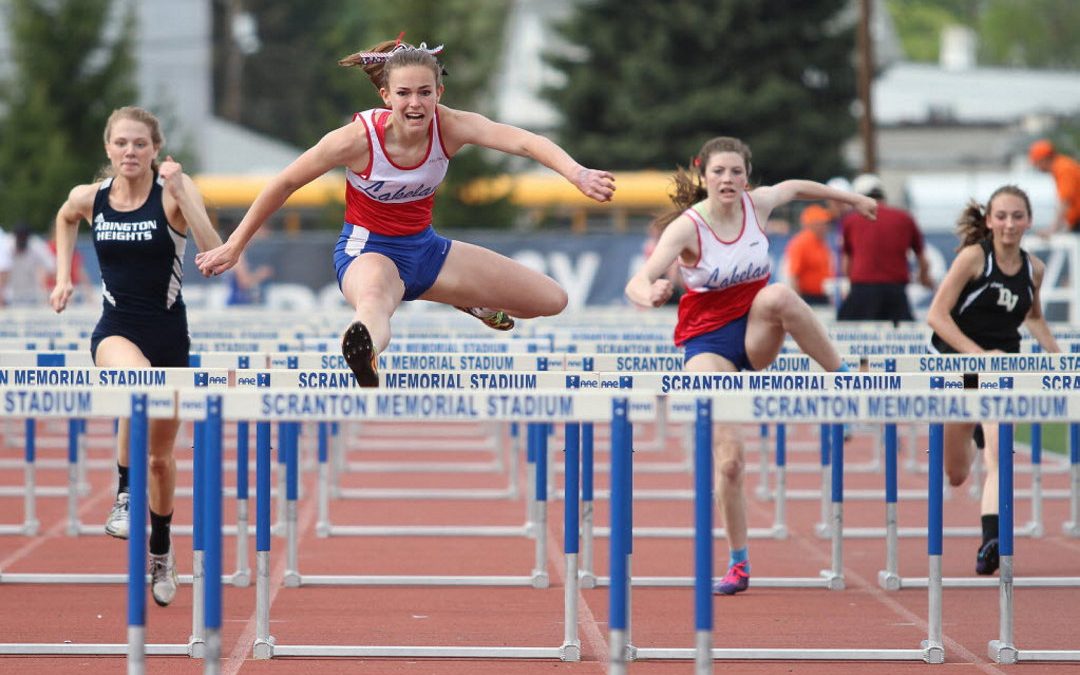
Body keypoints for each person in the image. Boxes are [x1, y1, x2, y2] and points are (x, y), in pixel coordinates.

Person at [194, 36, 615, 385]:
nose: (415, 104)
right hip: (368, 252)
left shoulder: (450, 126)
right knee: (374, 304)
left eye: (425, 93)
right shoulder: (355, 139)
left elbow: (523, 141)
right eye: (404, 94)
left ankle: (467, 300)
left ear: (439, 94)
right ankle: (363, 354)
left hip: (426, 250)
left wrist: (575, 173)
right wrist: (234, 245)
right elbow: (284, 182)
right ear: (385, 95)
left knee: (551, 300)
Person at [625, 136, 876, 595]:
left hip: (757, 329)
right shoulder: (688, 227)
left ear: (747, 177)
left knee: (779, 294)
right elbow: (637, 281)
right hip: (708, 342)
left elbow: (798, 188)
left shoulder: (758, 206)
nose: (728, 180)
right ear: (704, 175)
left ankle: (843, 382)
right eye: (719, 172)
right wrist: (653, 293)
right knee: (731, 464)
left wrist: (853, 199)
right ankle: (739, 563)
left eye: (736, 172)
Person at [50, 105, 223, 607]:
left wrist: (183, 189)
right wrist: (65, 276)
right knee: (137, 385)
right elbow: (64, 217)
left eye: (140, 144)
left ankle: (162, 549)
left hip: (169, 334)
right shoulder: (91, 198)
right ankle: (125, 495)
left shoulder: (170, 197)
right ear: (108, 147)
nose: (130, 151)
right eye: (122, 143)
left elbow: (214, 250)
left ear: (154, 150)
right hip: (116, 330)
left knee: (162, 460)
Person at [926, 185, 1060, 576]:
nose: (1009, 224)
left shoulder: (1034, 268)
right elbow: (936, 315)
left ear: (1029, 220)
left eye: (1018, 216)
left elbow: (1033, 317)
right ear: (989, 220)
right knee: (956, 473)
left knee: (998, 455)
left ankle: (991, 542)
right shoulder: (973, 258)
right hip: (958, 367)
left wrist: (1056, 359)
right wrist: (978, 356)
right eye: (1001, 216)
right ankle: (967, 438)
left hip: (1003, 370)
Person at [837, 173, 933, 323]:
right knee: (905, 339)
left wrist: (850, 285)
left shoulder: (851, 220)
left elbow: (847, 262)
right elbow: (923, 259)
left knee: (843, 335)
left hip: (862, 291)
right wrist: (924, 278)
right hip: (895, 293)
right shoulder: (905, 218)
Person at [784, 204, 834, 306]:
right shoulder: (801, 243)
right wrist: (798, 303)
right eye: (823, 223)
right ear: (812, 224)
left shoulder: (821, 242)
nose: (826, 227)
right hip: (808, 298)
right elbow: (793, 276)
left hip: (822, 296)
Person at [1028, 139, 1080, 234]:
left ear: (1044, 159)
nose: (1037, 167)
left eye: (1037, 163)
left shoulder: (1064, 168)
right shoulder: (1063, 165)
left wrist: (1053, 229)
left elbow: (1065, 201)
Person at [3, 223, 56, 307]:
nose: (21, 240)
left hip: (32, 298)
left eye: (24, 238)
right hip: (8, 298)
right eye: (20, 237)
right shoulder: (5, 246)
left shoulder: (37, 246)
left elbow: (53, 268)